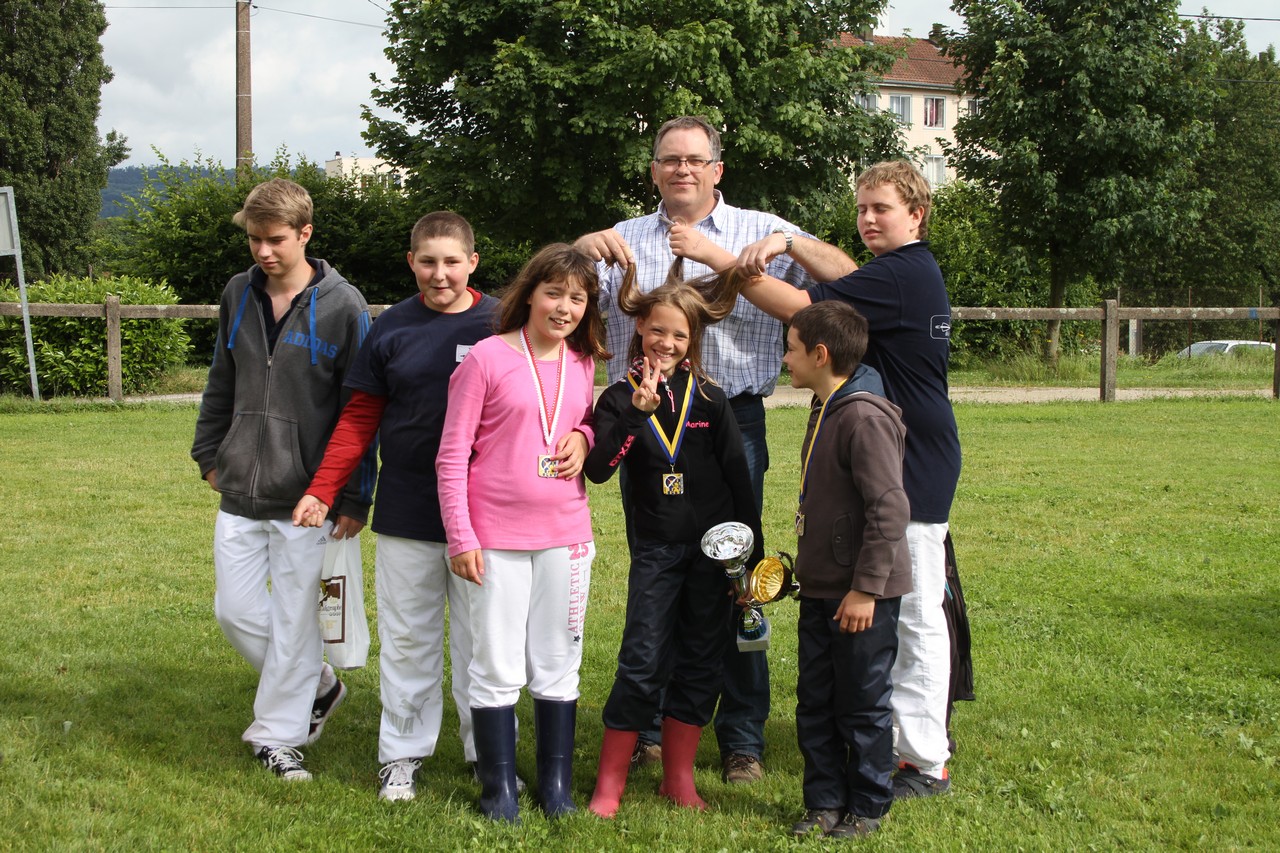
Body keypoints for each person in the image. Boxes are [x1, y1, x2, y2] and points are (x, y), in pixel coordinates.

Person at [574, 114, 850, 783]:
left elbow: (844, 285)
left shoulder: (762, 228)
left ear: (717, 169)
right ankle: (653, 726)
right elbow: (561, 294)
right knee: (659, 573)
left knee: (734, 575)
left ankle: (742, 736)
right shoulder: (627, 238)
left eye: (696, 159)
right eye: (670, 160)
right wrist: (580, 247)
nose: (682, 170)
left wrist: (764, 247)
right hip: (643, 425)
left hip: (730, 423)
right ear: (654, 170)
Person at [731, 159, 962, 798]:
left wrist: (733, 264)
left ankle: (924, 759)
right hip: (900, 449)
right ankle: (896, 742)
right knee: (905, 610)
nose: (867, 219)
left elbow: (805, 309)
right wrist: (784, 242)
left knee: (913, 614)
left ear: (916, 214)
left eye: (881, 209)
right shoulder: (896, 274)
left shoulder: (904, 272)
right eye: (861, 208)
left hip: (911, 459)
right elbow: (837, 274)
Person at [291, 212, 498, 802]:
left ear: (472, 262)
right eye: (427, 261)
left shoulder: (503, 320)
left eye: (451, 261)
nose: (440, 274)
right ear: (411, 262)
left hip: (484, 516)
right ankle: (402, 754)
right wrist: (324, 488)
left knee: (482, 638)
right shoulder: (391, 328)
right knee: (409, 638)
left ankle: (487, 753)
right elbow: (360, 417)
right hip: (408, 509)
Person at [190, 178, 375, 782]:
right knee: (235, 612)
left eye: (275, 240)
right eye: (254, 240)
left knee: (298, 622)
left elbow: (362, 408)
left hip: (309, 497)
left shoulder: (345, 306)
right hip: (240, 485)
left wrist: (351, 493)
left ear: (305, 234)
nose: (263, 252)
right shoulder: (237, 294)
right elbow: (223, 377)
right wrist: (209, 454)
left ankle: (278, 738)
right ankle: (319, 685)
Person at [436, 243, 608, 823]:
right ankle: (499, 791)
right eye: (554, 293)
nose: (564, 308)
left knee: (558, 657)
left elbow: (584, 419)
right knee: (496, 661)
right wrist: (461, 536)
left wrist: (584, 434)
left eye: (577, 299)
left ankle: (555, 788)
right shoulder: (485, 357)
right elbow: (453, 454)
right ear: (530, 293)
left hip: (565, 533)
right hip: (495, 538)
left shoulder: (583, 363)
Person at [583, 263, 762, 818]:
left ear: (692, 342)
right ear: (640, 329)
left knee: (702, 662)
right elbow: (597, 469)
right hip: (657, 552)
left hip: (711, 557)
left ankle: (678, 779)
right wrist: (637, 414)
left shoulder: (710, 398)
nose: (666, 342)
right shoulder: (617, 397)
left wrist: (747, 559)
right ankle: (609, 783)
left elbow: (739, 480)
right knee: (641, 660)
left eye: (679, 335)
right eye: (657, 330)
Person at [782, 301, 912, 839]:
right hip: (820, 588)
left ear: (820, 354)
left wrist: (864, 590)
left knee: (860, 701)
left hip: (861, 595)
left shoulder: (862, 415)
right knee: (815, 700)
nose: (784, 358)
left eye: (790, 349)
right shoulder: (825, 405)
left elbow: (889, 509)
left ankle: (868, 805)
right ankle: (824, 802)